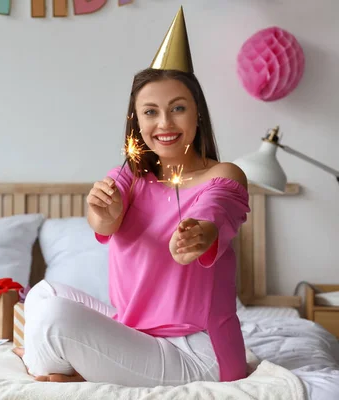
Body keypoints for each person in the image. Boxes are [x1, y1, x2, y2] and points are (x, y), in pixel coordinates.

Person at [15, 7, 250, 387]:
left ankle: (52, 369)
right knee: (44, 293)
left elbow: (215, 214)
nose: (165, 124)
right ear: (137, 122)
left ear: (198, 115)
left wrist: (198, 234)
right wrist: (103, 212)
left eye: (178, 109)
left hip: (195, 351)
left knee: (56, 318)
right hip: (137, 337)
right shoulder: (130, 174)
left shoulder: (221, 175)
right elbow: (104, 221)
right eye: (151, 112)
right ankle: (59, 366)